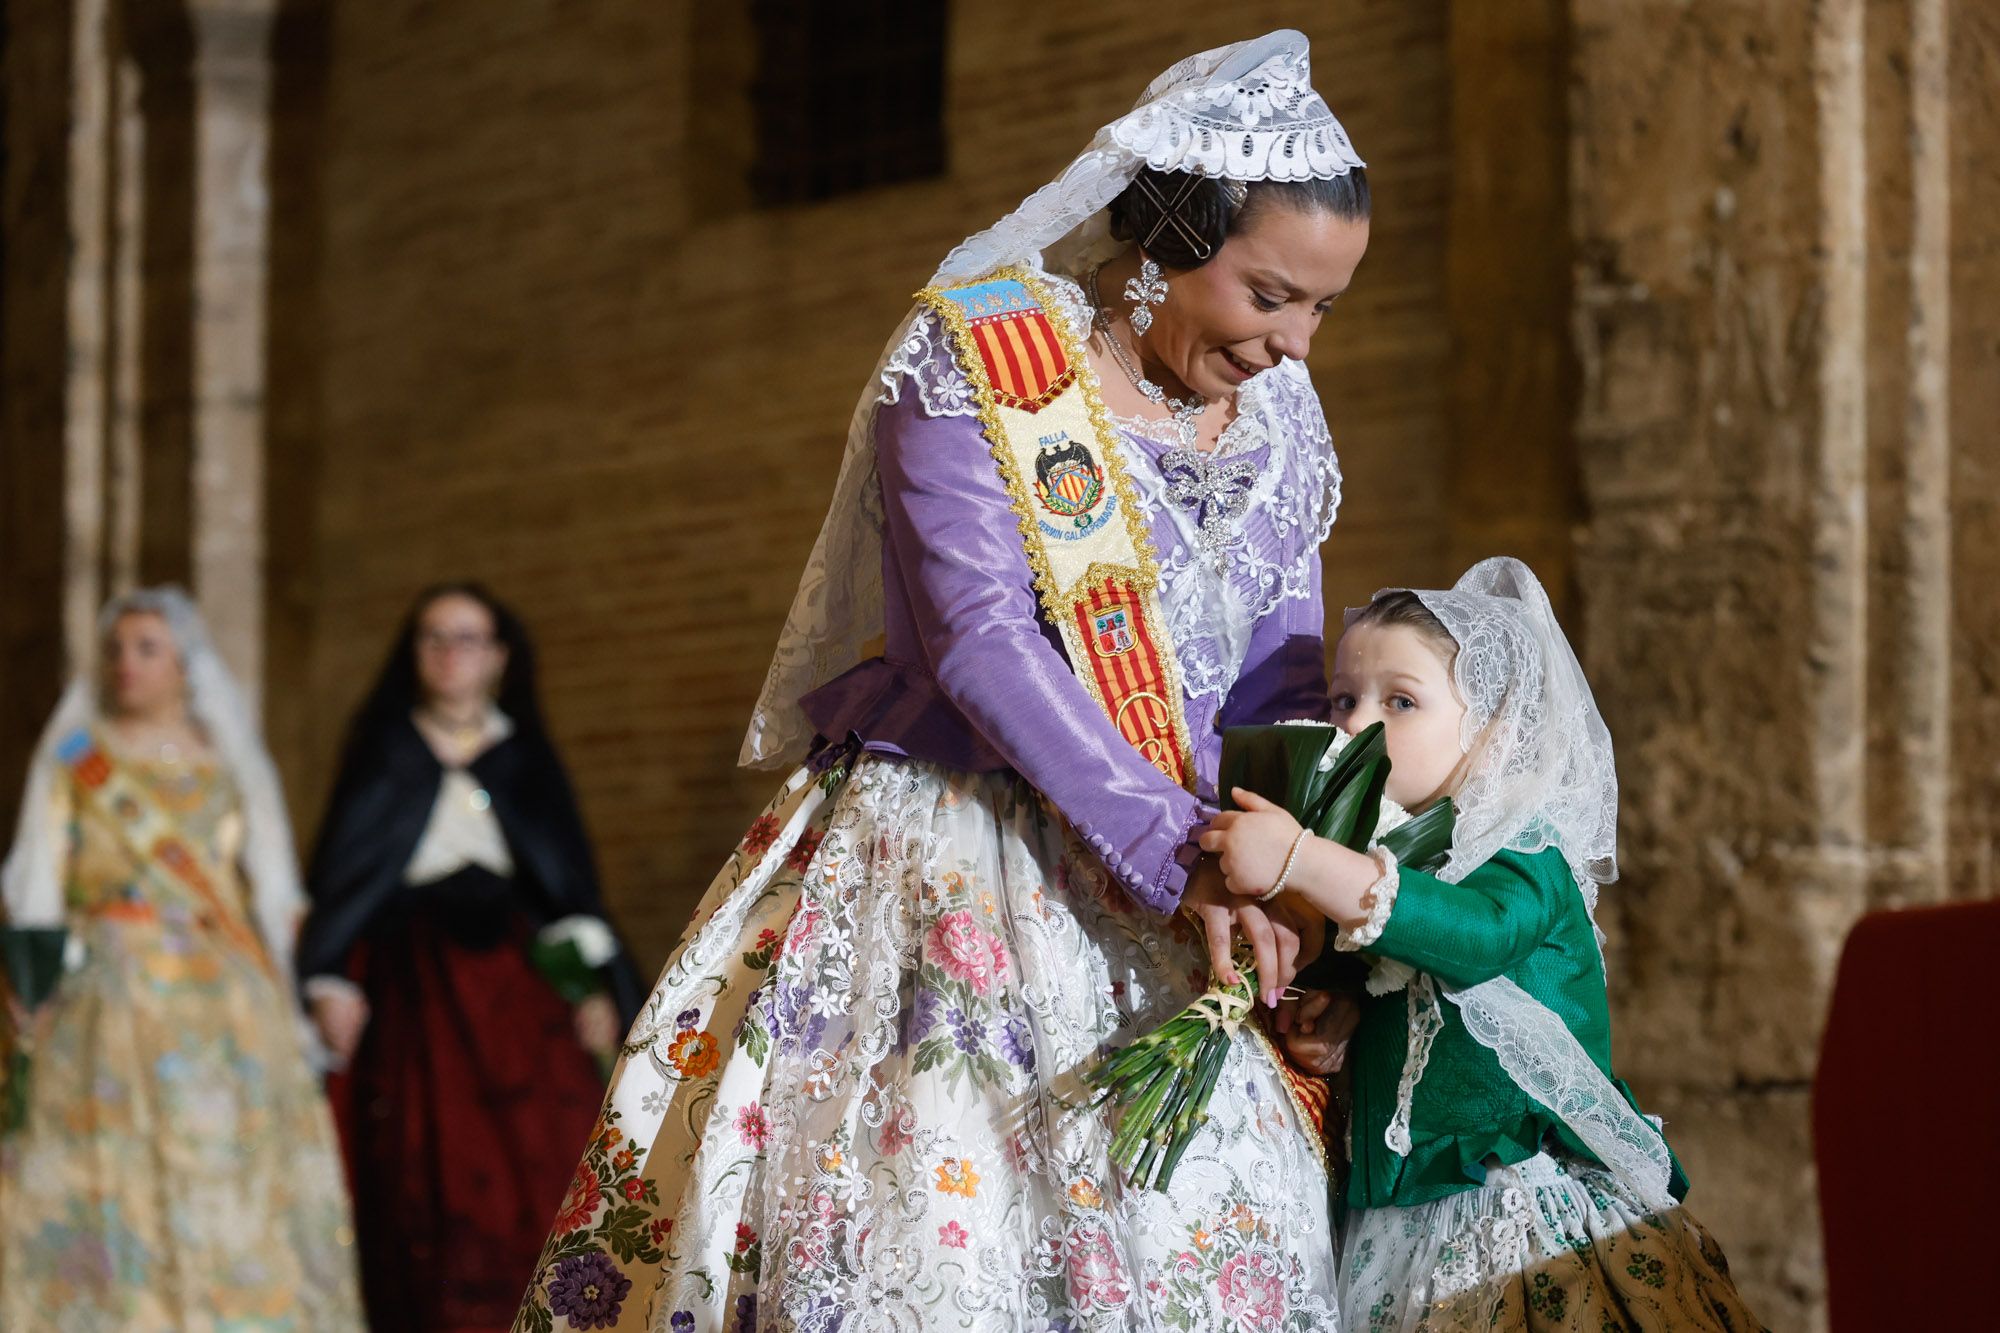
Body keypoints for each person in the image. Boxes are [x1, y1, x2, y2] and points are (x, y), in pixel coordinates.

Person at [517, 30, 1373, 1333]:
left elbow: (1280, 675)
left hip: (1202, 880)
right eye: (1269, 296)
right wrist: (1169, 851)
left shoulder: (1283, 418)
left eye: (1324, 307)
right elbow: (982, 641)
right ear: (1164, 240)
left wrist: (1291, 860)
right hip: (962, 863)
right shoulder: (977, 359)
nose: (1296, 346)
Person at [1204, 558, 1766, 1331]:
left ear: (1495, 725)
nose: (1356, 724)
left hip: (1519, 1217)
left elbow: (1476, 937)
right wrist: (1341, 1030)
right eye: (1343, 699)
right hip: (1397, 1231)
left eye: (1400, 700)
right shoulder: (1396, 864)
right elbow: (1411, 1011)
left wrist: (1303, 858)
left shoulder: (1530, 853)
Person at [0, 587, 363, 1328]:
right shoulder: (76, 755)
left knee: (229, 1167)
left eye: (146, 647)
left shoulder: (228, 761)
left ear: (185, 664)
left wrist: (295, 988)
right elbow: (36, 874)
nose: (125, 664)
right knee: (105, 1166)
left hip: (221, 998)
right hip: (103, 991)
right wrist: (27, 972)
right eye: (115, 648)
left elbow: (268, 884)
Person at [299, 582, 643, 1333]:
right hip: (412, 983)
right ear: (414, 653)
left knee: (543, 1160)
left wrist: (597, 990)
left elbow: (567, 884)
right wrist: (328, 979)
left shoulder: (522, 756)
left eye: (468, 639)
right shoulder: (387, 750)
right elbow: (343, 877)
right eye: (434, 637)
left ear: (497, 657)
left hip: (519, 985)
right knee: (425, 1162)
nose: (450, 655)